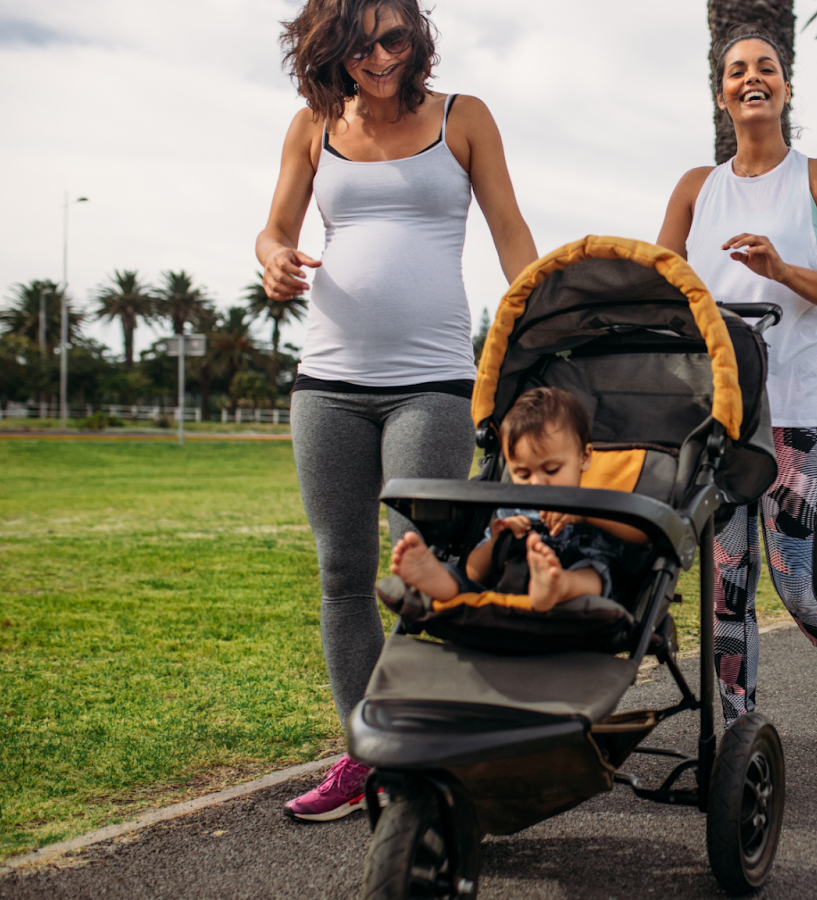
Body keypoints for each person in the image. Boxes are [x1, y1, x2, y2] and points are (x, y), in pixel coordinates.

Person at [256, 0, 538, 821]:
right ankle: (364, 757)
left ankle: (428, 750)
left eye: (393, 37)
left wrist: (535, 333)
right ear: (329, 51)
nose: (379, 57)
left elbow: (511, 234)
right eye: (358, 45)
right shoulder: (312, 126)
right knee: (343, 575)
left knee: (424, 570)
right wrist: (275, 260)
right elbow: (274, 229)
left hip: (434, 383)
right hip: (327, 385)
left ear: (417, 36)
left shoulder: (463, 117)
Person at [656, 26, 817, 760]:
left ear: (785, 86)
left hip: (793, 411)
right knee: (729, 585)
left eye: (767, 68)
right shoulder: (696, 188)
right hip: (719, 418)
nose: (752, 78)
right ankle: (741, 734)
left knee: (795, 582)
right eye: (736, 71)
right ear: (721, 94)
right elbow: (662, 286)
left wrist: (781, 271)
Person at [386, 387, 646, 611]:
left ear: (584, 457)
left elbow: (641, 535)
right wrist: (496, 541)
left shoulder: (598, 502)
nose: (537, 483)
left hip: (584, 592)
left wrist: (586, 513)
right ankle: (444, 583)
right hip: (511, 589)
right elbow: (476, 573)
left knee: (595, 572)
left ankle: (559, 585)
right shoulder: (511, 508)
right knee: (468, 576)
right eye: (522, 473)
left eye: (552, 470)